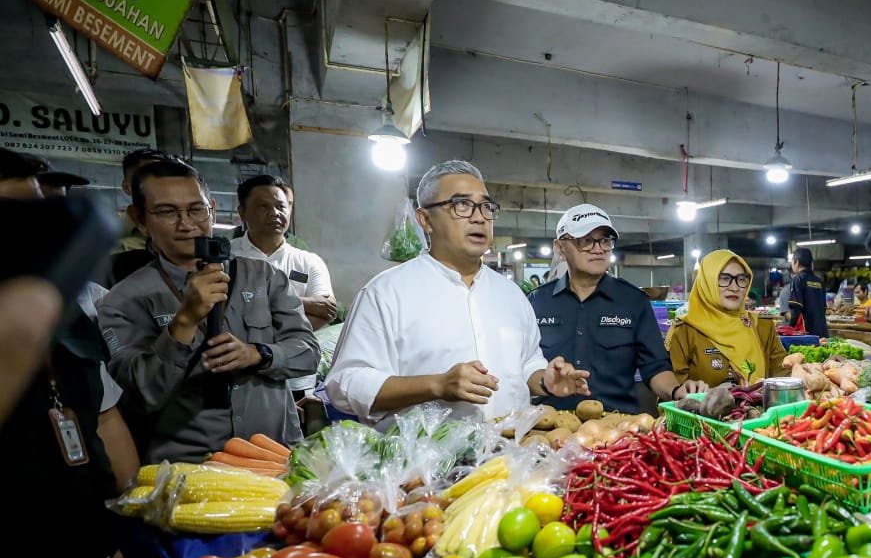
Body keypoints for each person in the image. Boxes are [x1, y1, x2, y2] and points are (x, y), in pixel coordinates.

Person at [0, 148, 150, 558]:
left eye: (49, 220)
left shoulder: (72, 318)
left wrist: (123, 520)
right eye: (18, 224)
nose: (44, 242)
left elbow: (105, 419)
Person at [326, 160, 590, 427]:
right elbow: (345, 383)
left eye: (486, 207)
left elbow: (526, 365)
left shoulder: (511, 295)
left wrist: (544, 380)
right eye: (461, 205)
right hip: (423, 463)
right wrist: (437, 385)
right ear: (425, 219)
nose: (479, 217)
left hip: (509, 458)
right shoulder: (386, 293)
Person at [98, 160, 319, 463]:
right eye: (166, 212)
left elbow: (308, 353)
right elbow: (140, 395)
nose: (186, 223)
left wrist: (259, 354)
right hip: (188, 469)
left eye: (196, 209)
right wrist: (185, 320)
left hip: (275, 459)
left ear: (212, 209)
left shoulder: (263, 277)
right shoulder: (123, 300)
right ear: (139, 218)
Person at [530, 205, 704, 412]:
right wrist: (544, 384)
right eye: (586, 240)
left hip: (615, 427)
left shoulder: (633, 301)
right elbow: (522, 367)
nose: (599, 249)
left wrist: (677, 392)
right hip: (550, 427)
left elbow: (655, 367)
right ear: (560, 248)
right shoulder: (536, 302)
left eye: (605, 240)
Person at [230, 175, 338, 332]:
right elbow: (223, 310)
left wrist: (273, 339)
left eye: (281, 206)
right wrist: (303, 303)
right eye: (263, 206)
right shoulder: (226, 257)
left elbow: (325, 311)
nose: (274, 213)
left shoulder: (308, 262)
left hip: (292, 353)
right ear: (243, 212)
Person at [668, 250, 789, 388]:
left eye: (741, 279)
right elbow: (673, 391)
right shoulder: (685, 332)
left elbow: (782, 371)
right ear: (707, 282)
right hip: (701, 409)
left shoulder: (761, 327)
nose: (735, 287)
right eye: (724, 278)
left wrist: (802, 373)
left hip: (760, 409)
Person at [108, 150, 189, 287]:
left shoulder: (189, 230)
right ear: (126, 186)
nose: (160, 185)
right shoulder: (107, 235)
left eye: (165, 176)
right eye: (145, 177)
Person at [785, 246, 828, 337]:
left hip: (806, 331)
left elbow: (796, 307)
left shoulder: (798, 279)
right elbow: (824, 307)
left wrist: (789, 329)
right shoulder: (819, 281)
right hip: (822, 329)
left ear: (796, 262)